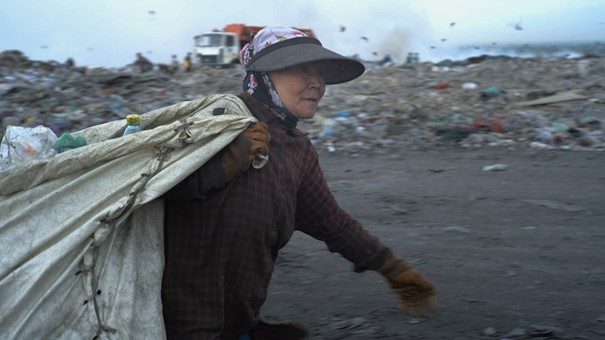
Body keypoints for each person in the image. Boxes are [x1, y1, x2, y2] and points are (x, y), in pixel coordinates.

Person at [162, 26, 436, 339]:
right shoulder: (215, 124)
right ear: (263, 76)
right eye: (301, 69)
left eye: (319, 73)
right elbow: (146, 189)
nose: (316, 84)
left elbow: (331, 222)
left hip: (236, 324)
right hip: (170, 326)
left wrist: (393, 268)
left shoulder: (297, 150)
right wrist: (221, 166)